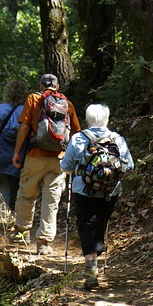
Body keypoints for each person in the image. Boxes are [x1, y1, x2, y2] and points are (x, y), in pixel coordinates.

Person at [60, 103, 134, 288]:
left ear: (87, 120)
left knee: (86, 225)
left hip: (82, 190)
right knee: (100, 223)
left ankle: (91, 267)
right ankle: (95, 259)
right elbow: (129, 166)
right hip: (110, 191)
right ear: (107, 120)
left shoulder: (78, 138)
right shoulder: (117, 139)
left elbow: (66, 167)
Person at [12, 73, 81, 255]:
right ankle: (44, 242)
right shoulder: (68, 104)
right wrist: (70, 157)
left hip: (35, 155)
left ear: (41, 85)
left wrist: (17, 152)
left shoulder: (34, 98)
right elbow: (76, 133)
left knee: (27, 193)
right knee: (51, 199)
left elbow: (24, 127)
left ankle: (23, 232)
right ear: (57, 87)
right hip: (58, 159)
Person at [0, 79, 29, 216]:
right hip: (21, 152)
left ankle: (4, 214)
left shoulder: (1, 109)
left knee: (4, 184)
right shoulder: (27, 110)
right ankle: (18, 215)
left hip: (2, 152)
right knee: (17, 184)